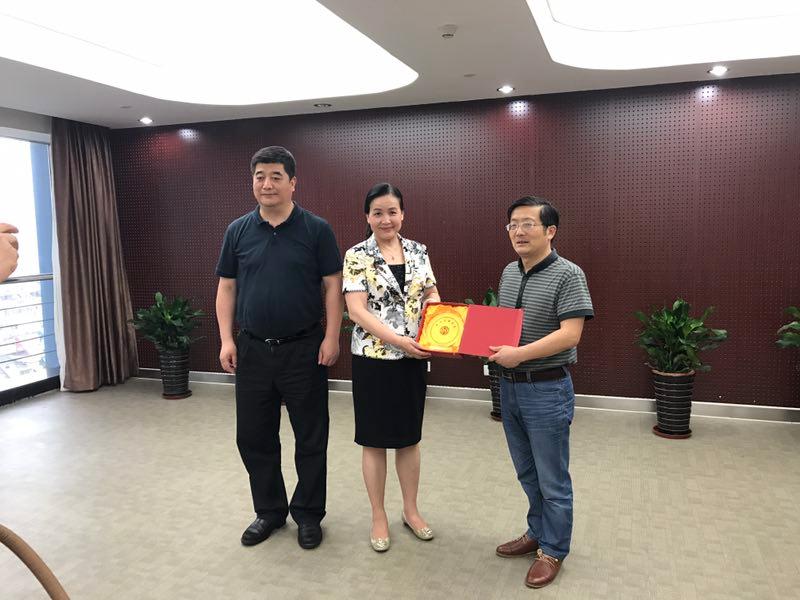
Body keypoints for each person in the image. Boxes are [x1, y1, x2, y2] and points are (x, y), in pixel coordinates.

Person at [215, 146, 343, 550]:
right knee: (254, 436)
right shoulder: (237, 230)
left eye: (275, 176)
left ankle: (308, 514)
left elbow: (333, 286)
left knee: (310, 436)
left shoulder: (316, 229)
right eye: (259, 176)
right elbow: (227, 287)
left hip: (304, 348)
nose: (266, 184)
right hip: (252, 349)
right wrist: (226, 339)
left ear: (292, 182)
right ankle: (269, 511)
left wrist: (332, 336)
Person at [488, 196, 593, 589]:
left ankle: (553, 549)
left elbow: (570, 334)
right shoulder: (509, 272)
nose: (518, 231)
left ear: (550, 231)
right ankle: (537, 531)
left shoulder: (569, 274)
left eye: (528, 224)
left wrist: (518, 355)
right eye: (512, 224)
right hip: (510, 388)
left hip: (547, 389)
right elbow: (505, 326)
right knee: (527, 471)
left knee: (552, 477)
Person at [342, 183, 440, 552]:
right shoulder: (356, 255)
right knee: (374, 440)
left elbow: (431, 292)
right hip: (374, 359)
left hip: (414, 357)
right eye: (378, 213)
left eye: (392, 212)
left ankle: (411, 510)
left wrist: (437, 319)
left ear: (403, 214)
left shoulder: (418, 250)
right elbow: (357, 311)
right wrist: (399, 341)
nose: (386, 219)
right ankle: (378, 515)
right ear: (367, 216)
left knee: (409, 438)